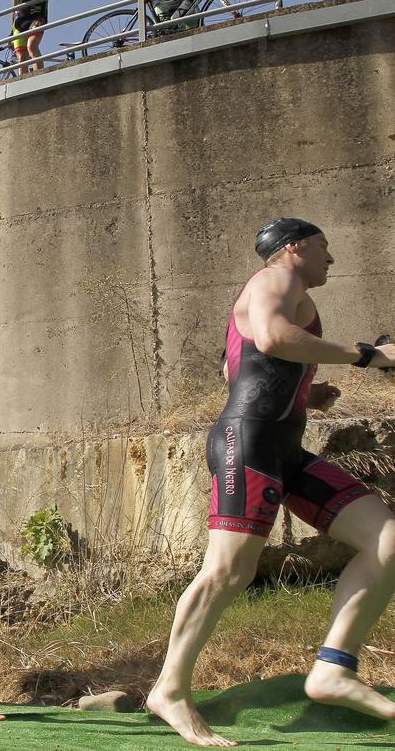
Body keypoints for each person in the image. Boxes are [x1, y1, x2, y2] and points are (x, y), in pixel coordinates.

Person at [147, 218, 395, 747]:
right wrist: (366, 355)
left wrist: (309, 392)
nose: (331, 259)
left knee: (386, 540)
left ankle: (333, 670)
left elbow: (242, 369)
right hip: (249, 446)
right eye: (325, 247)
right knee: (228, 571)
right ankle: (168, 691)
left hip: (282, 449)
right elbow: (274, 338)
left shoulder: (282, 290)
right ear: (295, 247)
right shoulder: (276, 279)